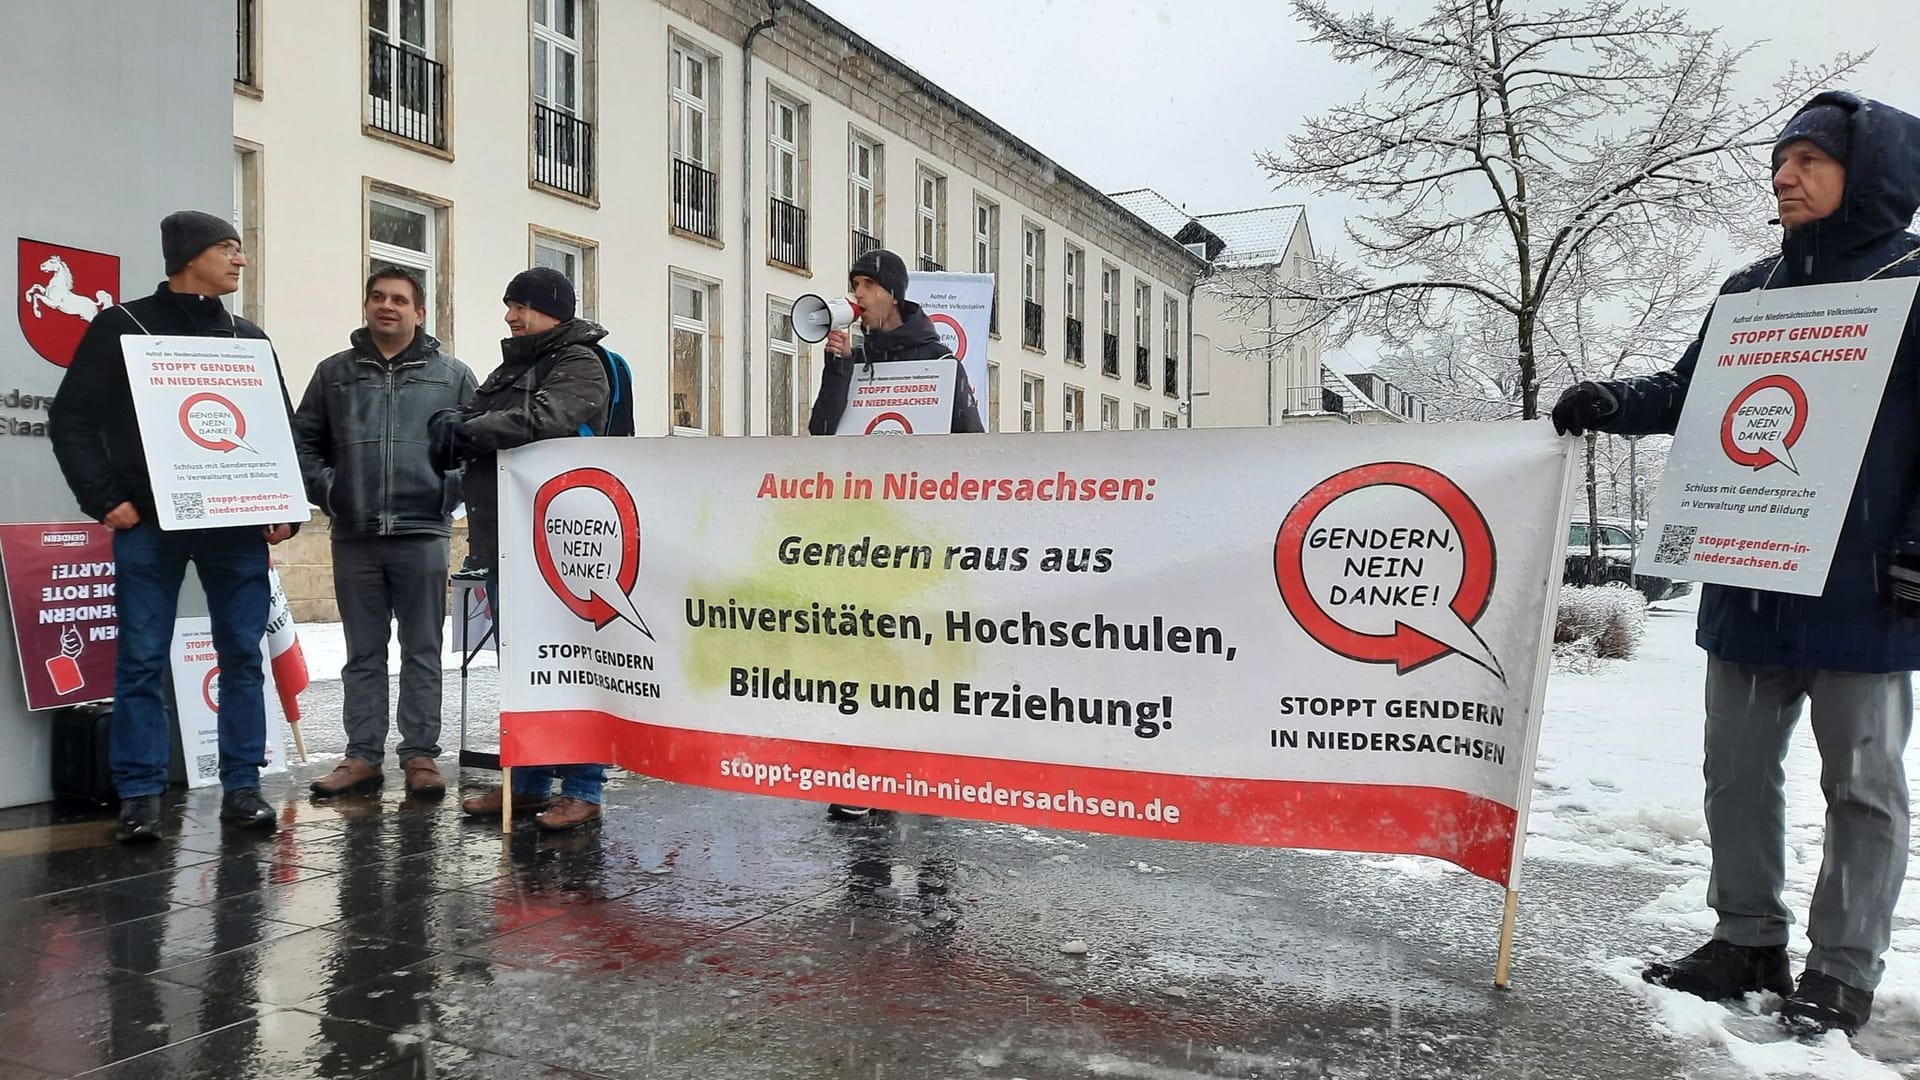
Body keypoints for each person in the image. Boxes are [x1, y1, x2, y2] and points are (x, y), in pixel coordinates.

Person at [1552, 92, 1920, 1035]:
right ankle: (1747, 937)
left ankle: (1841, 970)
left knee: (1863, 787)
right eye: (1779, 161)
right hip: (1751, 572)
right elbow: (1691, 391)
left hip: (1865, 588)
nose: (1784, 177)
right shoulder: (1749, 290)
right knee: (1738, 771)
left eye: (1808, 160)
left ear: (1869, 173)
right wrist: (1613, 401)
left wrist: (1916, 547)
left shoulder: (1916, 281)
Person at [48, 210, 304, 842]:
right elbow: (71, 420)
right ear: (190, 256)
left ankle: (243, 788)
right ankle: (138, 797)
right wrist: (105, 498)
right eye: (228, 249)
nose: (240, 261)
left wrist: (283, 506)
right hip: (150, 525)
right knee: (138, 658)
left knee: (242, 655)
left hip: (236, 527)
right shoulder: (121, 327)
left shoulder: (249, 339)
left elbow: (278, 430)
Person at [433, 267, 613, 832]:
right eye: (509, 305)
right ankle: (529, 782)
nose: (511, 316)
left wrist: (470, 430)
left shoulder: (581, 363)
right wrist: (455, 424)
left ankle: (583, 787)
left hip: (562, 548)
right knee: (524, 671)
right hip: (506, 540)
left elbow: (547, 418)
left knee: (576, 668)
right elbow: (490, 421)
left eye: (522, 307)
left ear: (554, 311)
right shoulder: (513, 366)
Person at [808, 248, 984, 820]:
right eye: (852, 282)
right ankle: (863, 775)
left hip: (919, 530)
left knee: (911, 656)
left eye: (866, 284)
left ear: (892, 293)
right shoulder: (854, 357)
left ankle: (915, 769)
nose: (857, 293)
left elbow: (969, 445)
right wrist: (837, 366)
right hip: (861, 530)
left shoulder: (937, 360)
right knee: (861, 654)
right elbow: (822, 431)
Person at [295, 267, 475, 800]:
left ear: (420, 313)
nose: (387, 306)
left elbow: (478, 446)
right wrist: (331, 491)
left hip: (423, 533)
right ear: (366, 306)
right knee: (362, 652)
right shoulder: (334, 375)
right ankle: (361, 757)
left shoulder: (453, 376)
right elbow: (302, 443)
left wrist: (447, 492)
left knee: (423, 648)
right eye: (377, 297)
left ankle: (420, 756)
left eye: (399, 299)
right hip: (355, 534)